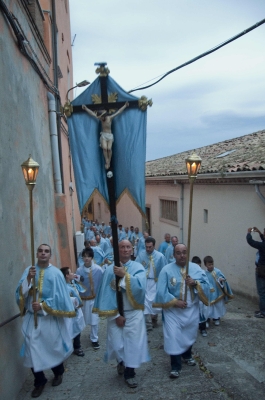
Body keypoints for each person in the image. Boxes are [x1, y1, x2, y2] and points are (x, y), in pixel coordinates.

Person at [15, 244, 76, 398]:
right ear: (36, 254)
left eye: (46, 251)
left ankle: (58, 373)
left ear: (50, 255)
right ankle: (39, 381)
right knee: (32, 351)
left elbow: (61, 298)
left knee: (52, 348)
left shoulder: (56, 274)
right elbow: (19, 293)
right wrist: (28, 279)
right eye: (40, 251)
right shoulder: (30, 270)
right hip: (31, 320)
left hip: (48, 320)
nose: (43, 253)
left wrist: (42, 305)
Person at [93, 240, 150, 388]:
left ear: (132, 250)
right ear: (117, 250)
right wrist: (116, 316)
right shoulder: (108, 270)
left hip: (133, 313)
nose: (125, 250)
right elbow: (105, 294)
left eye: (128, 247)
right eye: (122, 247)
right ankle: (121, 361)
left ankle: (130, 373)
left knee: (132, 345)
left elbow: (140, 289)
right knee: (118, 345)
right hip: (115, 314)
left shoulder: (138, 267)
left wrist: (125, 276)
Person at [153, 244, 210, 379]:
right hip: (173, 311)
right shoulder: (166, 270)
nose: (182, 255)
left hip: (191, 310)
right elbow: (161, 291)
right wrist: (174, 302)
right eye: (178, 253)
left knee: (188, 335)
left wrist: (195, 283)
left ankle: (187, 355)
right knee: (173, 337)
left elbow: (207, 286)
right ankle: (175, 366)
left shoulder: (195, 268)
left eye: (184, 252)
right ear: (174, 255)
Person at [82, 102, 129, 169]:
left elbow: (118, 112)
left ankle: (108, 161)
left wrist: (125, 105)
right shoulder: (101, 119)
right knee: (104, 148)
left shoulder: (110, 118)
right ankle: (106, 160)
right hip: (104, 135)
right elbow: (92, 114)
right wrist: (86, 108)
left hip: (109, 135)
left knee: (109, 149)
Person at [136, 237, 167, 330]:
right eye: (146, 247)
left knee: (154, 301)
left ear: (154, 246)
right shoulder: (141, 255)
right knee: (145, 301)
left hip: (155, 281)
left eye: (150, 247)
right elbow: (136, 267)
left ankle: (154, 318)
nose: (148, 249)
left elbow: (164, 270)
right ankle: (147, 322)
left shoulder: (160, 256)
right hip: (145, 281)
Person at [76, 248, 103, 350]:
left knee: (94, 319)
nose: (86, 258)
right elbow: (77, 285)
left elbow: (102, 284)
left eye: (88, 256)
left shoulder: (98, 270)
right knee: (80, 319)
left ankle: (94, 339)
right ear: (82, 257)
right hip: (83, 299)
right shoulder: (79, 270)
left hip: (94, 299)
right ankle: (77, 342)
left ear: (92, 257)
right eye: (84, 256)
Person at [60, 267, 86, 357]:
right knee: (69, 329)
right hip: (70, 313)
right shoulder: (64, 287)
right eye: (70, 273)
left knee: (77, 328)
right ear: (66, 275)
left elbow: (80, 281)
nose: (73, 274)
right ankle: (66, 349)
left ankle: (77, 346)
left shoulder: (72, 283)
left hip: (77, 310)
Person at [204, 255, 233, 326]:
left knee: (217, 306)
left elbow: (222, 278)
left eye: (212, 264)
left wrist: (221, 280)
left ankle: (216, 318)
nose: (211, 266)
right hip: (209, 293)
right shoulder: (204, 273)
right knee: (209, 307)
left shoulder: (217, 271)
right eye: (209, 265)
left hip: (217, 292)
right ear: (205, 265)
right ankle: (207, 320)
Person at [246, 227, 265, 318]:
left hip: (261, 270)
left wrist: (249, 233)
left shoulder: (263, 245)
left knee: (261, 292)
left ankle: (263, 312)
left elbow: (251, 242)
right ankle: (263, 309)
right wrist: (260, 233)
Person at [192, 256, 209, 337]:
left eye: (198, 266)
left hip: (200, 297)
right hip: (192, 298)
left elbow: (207, 284)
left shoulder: (202, 273)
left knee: (202, 313)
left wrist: (196, 284)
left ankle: (203, 328)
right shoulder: (188, 273)